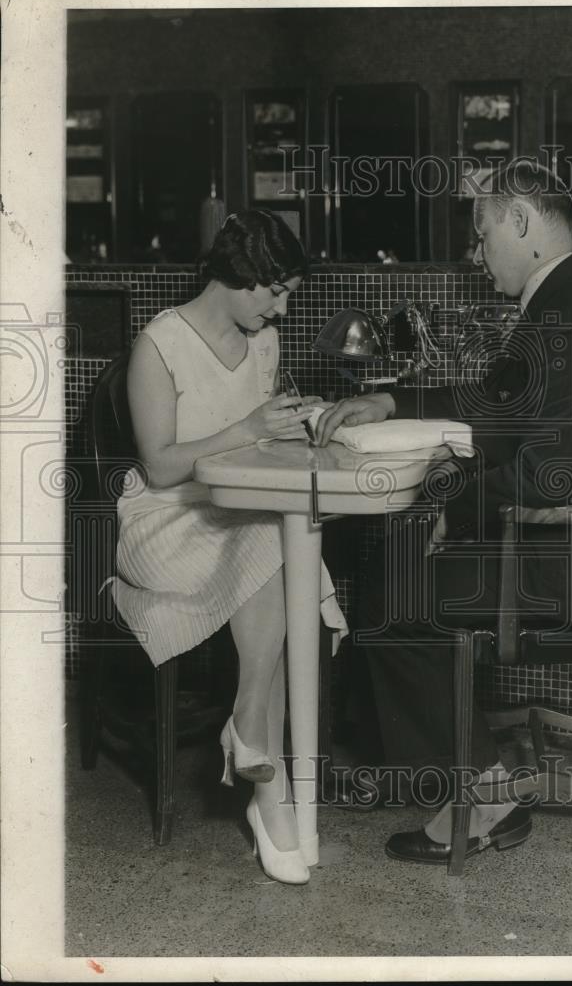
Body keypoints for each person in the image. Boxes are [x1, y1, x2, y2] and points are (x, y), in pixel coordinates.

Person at [315, 161, 572, 865]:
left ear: (520, 222)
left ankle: (481, 797)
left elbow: (546, 469)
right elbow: (496, 404)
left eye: (482, 236)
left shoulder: (571, 317)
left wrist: (457, 502)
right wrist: (395, 403)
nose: (475, 256)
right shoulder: (566, 302)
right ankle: (477, 781)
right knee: (399, 562)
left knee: (396, 594)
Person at [110, 210, 345, 885]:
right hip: (167, 519)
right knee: (277, 544)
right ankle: (261, 772)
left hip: (238, 510)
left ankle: (260, 769)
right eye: (276, 292)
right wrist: (247, 426)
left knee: (278, 537)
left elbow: (258, 449)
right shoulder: (159, 343)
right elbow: (161, 467)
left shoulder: (263, 341)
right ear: (238, 281)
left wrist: (295, 429)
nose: (282, 307)